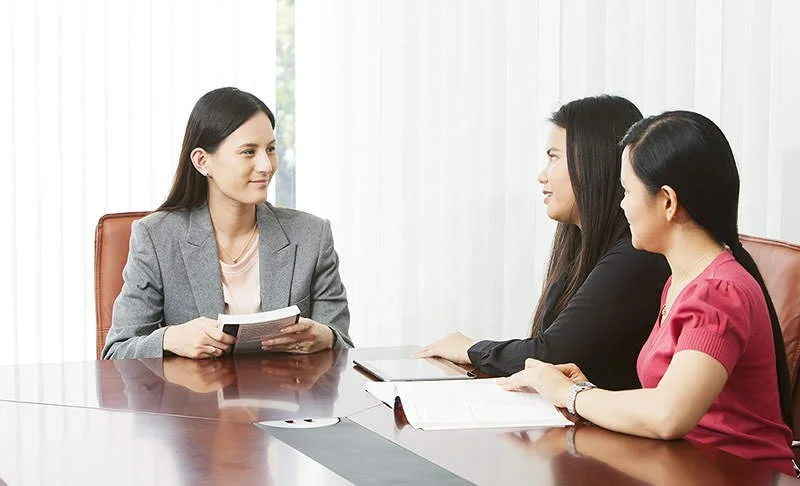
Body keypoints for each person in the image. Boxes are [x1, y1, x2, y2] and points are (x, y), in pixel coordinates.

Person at [499, 111, 794, 476]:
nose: (621, 205)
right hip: (685, 469)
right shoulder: (681, 282)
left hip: (738, 476)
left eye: (626, 192)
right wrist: (586, 388)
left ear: (667, 202)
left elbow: (668, 415)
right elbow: (666, 399)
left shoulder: (719, 292)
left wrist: (569, 395)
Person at [417, 95, 669, 390]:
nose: (542, 176)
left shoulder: (635, 257)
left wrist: (470, 349)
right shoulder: (584, 249)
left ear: (594, 163)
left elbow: (549, 354)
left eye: (553, 157)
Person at [102, 87, 353, 360]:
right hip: (193, 401)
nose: (266, 166)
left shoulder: (311, 236)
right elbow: (117, 352)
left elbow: (343, 347)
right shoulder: (156, 237)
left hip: (289, 399)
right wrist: (170, 338)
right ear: (202, 161)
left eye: (270, 149)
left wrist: (326, 337)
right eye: (248, 152)